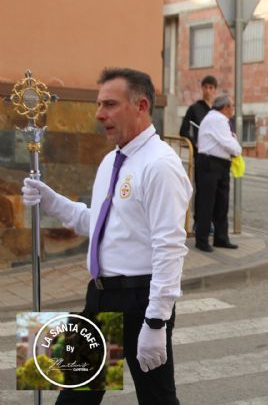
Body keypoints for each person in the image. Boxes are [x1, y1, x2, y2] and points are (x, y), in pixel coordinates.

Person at [22, 68, 192, 404]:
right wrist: (52, 201)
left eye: (110, 104)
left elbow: (170, 247)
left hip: (140, 300)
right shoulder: (111, 160)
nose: (99, 114)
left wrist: (156, 321)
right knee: (73, 398)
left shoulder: (160, 165)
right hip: (99, 297)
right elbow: (98, 225)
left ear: (141, 105)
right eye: (99, 104)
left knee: (157, 399)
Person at [195, 94, 242, 252]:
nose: (232, 110)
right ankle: (202, 241)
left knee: (221, 203)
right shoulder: (218, 119)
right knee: (208, 204)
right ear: (225, 107)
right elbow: (229, 143)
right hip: (211, 164)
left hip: (218, 163)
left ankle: (220, 238)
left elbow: (228, 139)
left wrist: (234, 143)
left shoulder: (214, 118)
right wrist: (238, 149)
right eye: (231, 106)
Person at [179, 75, 217, 228]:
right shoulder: (195, 109)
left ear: (215, 90)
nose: (208, 91)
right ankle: (199, 222)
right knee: (202, 189)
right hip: (201, 156)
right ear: (202, 88)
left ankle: (212, 222)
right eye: (205, 87)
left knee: (215, 191)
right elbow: (183, 131)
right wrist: (194, 143)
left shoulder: (216, 110)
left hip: (217, 156)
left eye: (211, 88)